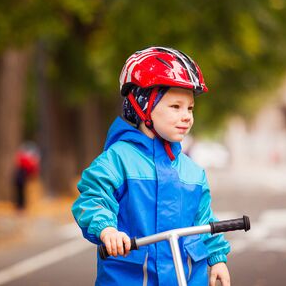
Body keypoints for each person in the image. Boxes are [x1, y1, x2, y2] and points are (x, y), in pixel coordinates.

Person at [72, 47, 231, 286]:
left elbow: (204, 220)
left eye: (190, 108)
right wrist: (107, 230)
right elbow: (94, 198)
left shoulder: (193, 172)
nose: (186, 116)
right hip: (132, 278)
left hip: (184, 278)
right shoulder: (118, 160)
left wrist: (217, 258)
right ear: (142, 107)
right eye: (175, 107)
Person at [13, 143, 39, 212]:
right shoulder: (26, 160)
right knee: (21, 193)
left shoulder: (23, 159)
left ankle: (20, 205)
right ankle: (21, 206)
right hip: (21, 178)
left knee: (21, 193)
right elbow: (31, 169)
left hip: (21, 178)